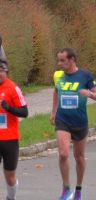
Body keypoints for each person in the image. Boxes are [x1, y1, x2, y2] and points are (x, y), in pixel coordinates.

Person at [50, 47, 96, 200]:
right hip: (62, 119)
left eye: (62, 61)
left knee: (79, 157)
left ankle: (78, 189)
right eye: (58, 60)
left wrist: (90, 94)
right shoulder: (58, 75)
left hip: (79, 121)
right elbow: (55, 91)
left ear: (72, 60)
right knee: (63, 153)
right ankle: (66, 189)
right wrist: (53, 112)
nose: (59, 64)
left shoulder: (85, 75)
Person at [0, 59, 28, 200]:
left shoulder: (13, 88)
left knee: (9, 176)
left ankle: (11, 198)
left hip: (10, 139)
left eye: (0, 71)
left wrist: (8, 108)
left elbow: (25, 112)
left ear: (6, 72)